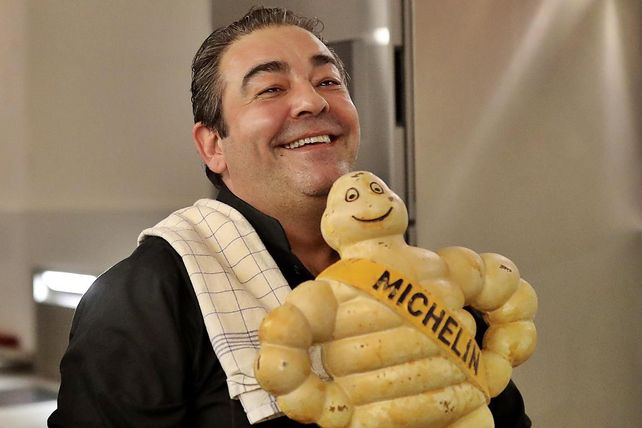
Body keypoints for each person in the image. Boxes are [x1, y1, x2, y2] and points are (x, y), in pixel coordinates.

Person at [48, 6, 531, 427]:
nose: (312, 101)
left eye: (328, 82)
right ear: (213, 145)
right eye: (270, 88)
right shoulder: (145, 296)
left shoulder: (414, 277)